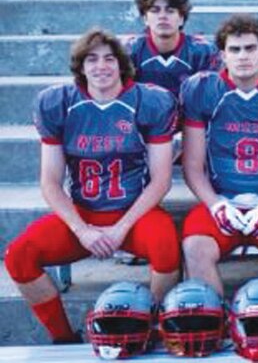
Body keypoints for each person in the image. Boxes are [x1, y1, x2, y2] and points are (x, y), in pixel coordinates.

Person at [5, 28, 181, 343]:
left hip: (135, 214)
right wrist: (80, 229)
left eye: (110, 59)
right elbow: (50, 182)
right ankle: (62, 337)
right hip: (83, 213)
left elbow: (162, 180)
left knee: (166, 246)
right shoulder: (58, 102)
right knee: (18, 255)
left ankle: (149, 329)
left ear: (122, 65)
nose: (101, 66)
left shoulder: (148, 100)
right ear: (81, 66)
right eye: (92, 59)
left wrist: (122, 227)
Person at [180, 14, 258, 298]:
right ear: (222, 55)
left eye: (250, 48)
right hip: (222, 199)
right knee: (194, 247)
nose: (243, 56)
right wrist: (215, 205)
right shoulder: (203, 90)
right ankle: (214, 323)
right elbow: (192, 166)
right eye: (235, 49)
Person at [124, 0, 219, 98]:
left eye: (170, 11)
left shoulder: (204, 51)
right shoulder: (129, 50)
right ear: (145, 19)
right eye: (155, 10)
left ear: (181, 19)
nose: (162, 16)